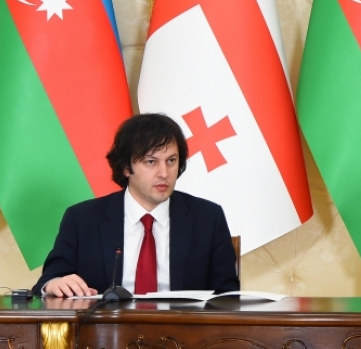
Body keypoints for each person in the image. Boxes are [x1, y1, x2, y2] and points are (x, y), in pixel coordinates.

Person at [33, 113, 239, 297]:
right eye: (151, 162)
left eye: (171, 161)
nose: (164, 173)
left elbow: (228, 297)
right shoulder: (82, 219)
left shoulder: (208, 219)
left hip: (184, 327)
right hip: (105, 328)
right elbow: (48, 282)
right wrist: (54, 284)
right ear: (126, 167)